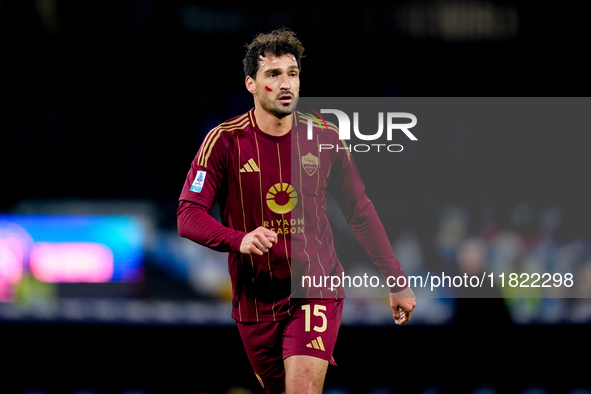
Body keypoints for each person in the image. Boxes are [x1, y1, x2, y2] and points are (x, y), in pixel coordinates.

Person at [177, 27, 416, 394]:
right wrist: (238, 240)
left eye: (292, 73)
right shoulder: (224, 141)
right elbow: (188, 216)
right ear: (251, 85)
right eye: (273, 74)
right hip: (255, 302)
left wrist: (396, 278)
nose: (286, 83)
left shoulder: (324, 137)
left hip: (315, 288)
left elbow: (360, 211)